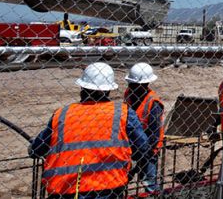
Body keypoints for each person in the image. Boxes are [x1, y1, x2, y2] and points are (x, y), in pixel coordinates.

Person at [29, 62, 149, 199]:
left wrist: (33, 148)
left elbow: (38, 148)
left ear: (82, 88)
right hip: (109, 186)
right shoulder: (122, 112)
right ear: (108, 90)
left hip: (65, 189)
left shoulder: (62, 114)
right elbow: (142, 146)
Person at [124, 63, 164, 193]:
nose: (130, 87)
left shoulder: (153, 102)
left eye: (134, 85)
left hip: (149, 147)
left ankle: (152, 193)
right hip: (131, 144)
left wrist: (147, 151)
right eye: (130, 83)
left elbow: (154, 131)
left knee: (149, 179)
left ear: (145, 85)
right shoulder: (128, 93)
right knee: (125, 177)